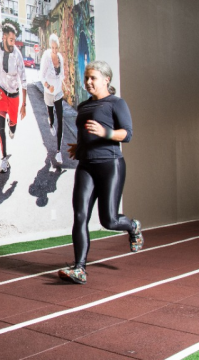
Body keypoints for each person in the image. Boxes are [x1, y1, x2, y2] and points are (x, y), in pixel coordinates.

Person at [59, 60, 143, 285]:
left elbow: (127, 134)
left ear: (106, 79)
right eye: (86, 78)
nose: (88, 82)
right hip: (86, 165)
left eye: (93, 78)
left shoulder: (117, 103)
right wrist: (79, 147)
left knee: (110, 220)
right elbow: (86, 134)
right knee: (80, 216)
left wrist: (106, 132)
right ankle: (79, 269)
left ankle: (132, 226)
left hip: (110, 164)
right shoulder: (84, 106)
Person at [0, 23, 27, 173]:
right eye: (11, 39)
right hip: (1, 91)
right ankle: (4, 160)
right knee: (0, 126)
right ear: (4, 37)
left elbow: (24, 79)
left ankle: (13, 125)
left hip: (14, 95)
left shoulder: (17, 54)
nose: (13, 43)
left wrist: (24, 104)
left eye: (14, 39)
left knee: (12, 127)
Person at [39, 33, 66, 164]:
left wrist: (62, 81)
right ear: (51, 46)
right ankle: (50, 123)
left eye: (57, 48)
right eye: (53, 47)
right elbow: (41, 76)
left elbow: (63, 74)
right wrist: (48, 85)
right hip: (49, 92)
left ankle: (59, 152)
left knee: (61, 120)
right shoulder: (46, 57)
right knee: (52, 117)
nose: (55, 50)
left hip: (58, 92)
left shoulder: (60, 58)